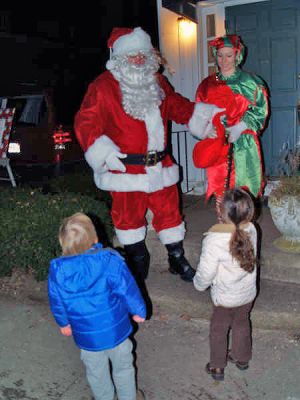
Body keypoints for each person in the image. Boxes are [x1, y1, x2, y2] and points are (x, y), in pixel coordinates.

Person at [74, 26, 223, 284]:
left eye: (143, 53)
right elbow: (85, 122)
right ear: (119, 57)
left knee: (170, 214)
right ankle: (137, 260)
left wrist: (203, 120)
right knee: (128, 219)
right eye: (132, 54)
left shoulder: (158, 81)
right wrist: (104, 152)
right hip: (125, 170)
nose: (139, 59)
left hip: (160, 165)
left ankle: (176, 258)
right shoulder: (103, 87)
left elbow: (176, 105)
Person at [48, 212, 146, 400]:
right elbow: (127, 289)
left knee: (96, 372)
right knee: (123, 367)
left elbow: (56, 300)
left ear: (63, 242)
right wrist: (138, 311)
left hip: (87, 337)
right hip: (116, 331)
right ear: (95, 238)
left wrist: (64, 324)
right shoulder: (109, 260)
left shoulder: (58, 270)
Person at [192, 34, 269, 221]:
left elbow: (261, 110)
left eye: (228, 55)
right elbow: (199, 112)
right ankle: (224, 229)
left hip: (243, 142)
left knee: (243, 188)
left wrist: (240, 127)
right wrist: (205, 129)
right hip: (218, 143)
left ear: (237, 55)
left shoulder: (251, 82)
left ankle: (243, 233)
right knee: (221, 188)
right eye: (220, 55)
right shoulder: (206, 85)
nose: (224, 60)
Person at [193, 188, 257, 381]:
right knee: (242, 324)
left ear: (221, 213)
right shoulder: (252, 230)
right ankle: (242, 358)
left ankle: (217, 367)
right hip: (247, 294)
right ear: (249, 212)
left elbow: (206, 271)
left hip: (224, 298)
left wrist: (199, 284)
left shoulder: (214, 239)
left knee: (218, 329)